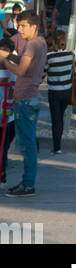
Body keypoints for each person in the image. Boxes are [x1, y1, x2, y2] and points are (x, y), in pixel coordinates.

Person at [0, 10, 47, 196]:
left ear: (34, 26)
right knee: (28, 144)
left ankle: (28, 184)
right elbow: (22, 62)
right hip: (31, 98)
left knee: (27, 146)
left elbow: (20, 70)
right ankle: (27, 183)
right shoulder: (40, 42)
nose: (19, 29)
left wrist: (4, 60)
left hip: (25, 99)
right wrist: (9, 56)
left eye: (23, 26)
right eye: (18, 25)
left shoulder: (31, 45)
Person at [45, 31, 76, 155]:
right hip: (67, 91)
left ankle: (57, 147)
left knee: (55, 119)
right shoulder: (71, 55)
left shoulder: (49, 57)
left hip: (54, 92)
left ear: (53, 42)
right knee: (60, 118)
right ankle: (58, 145)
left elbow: (43, 72)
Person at [0, 41, 16, 186]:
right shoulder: (14, 69)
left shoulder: (13, 69)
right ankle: (2, 175)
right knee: (3, 148)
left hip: (8, 116)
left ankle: (2, 174)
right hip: (8, 116)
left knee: (3, 148)